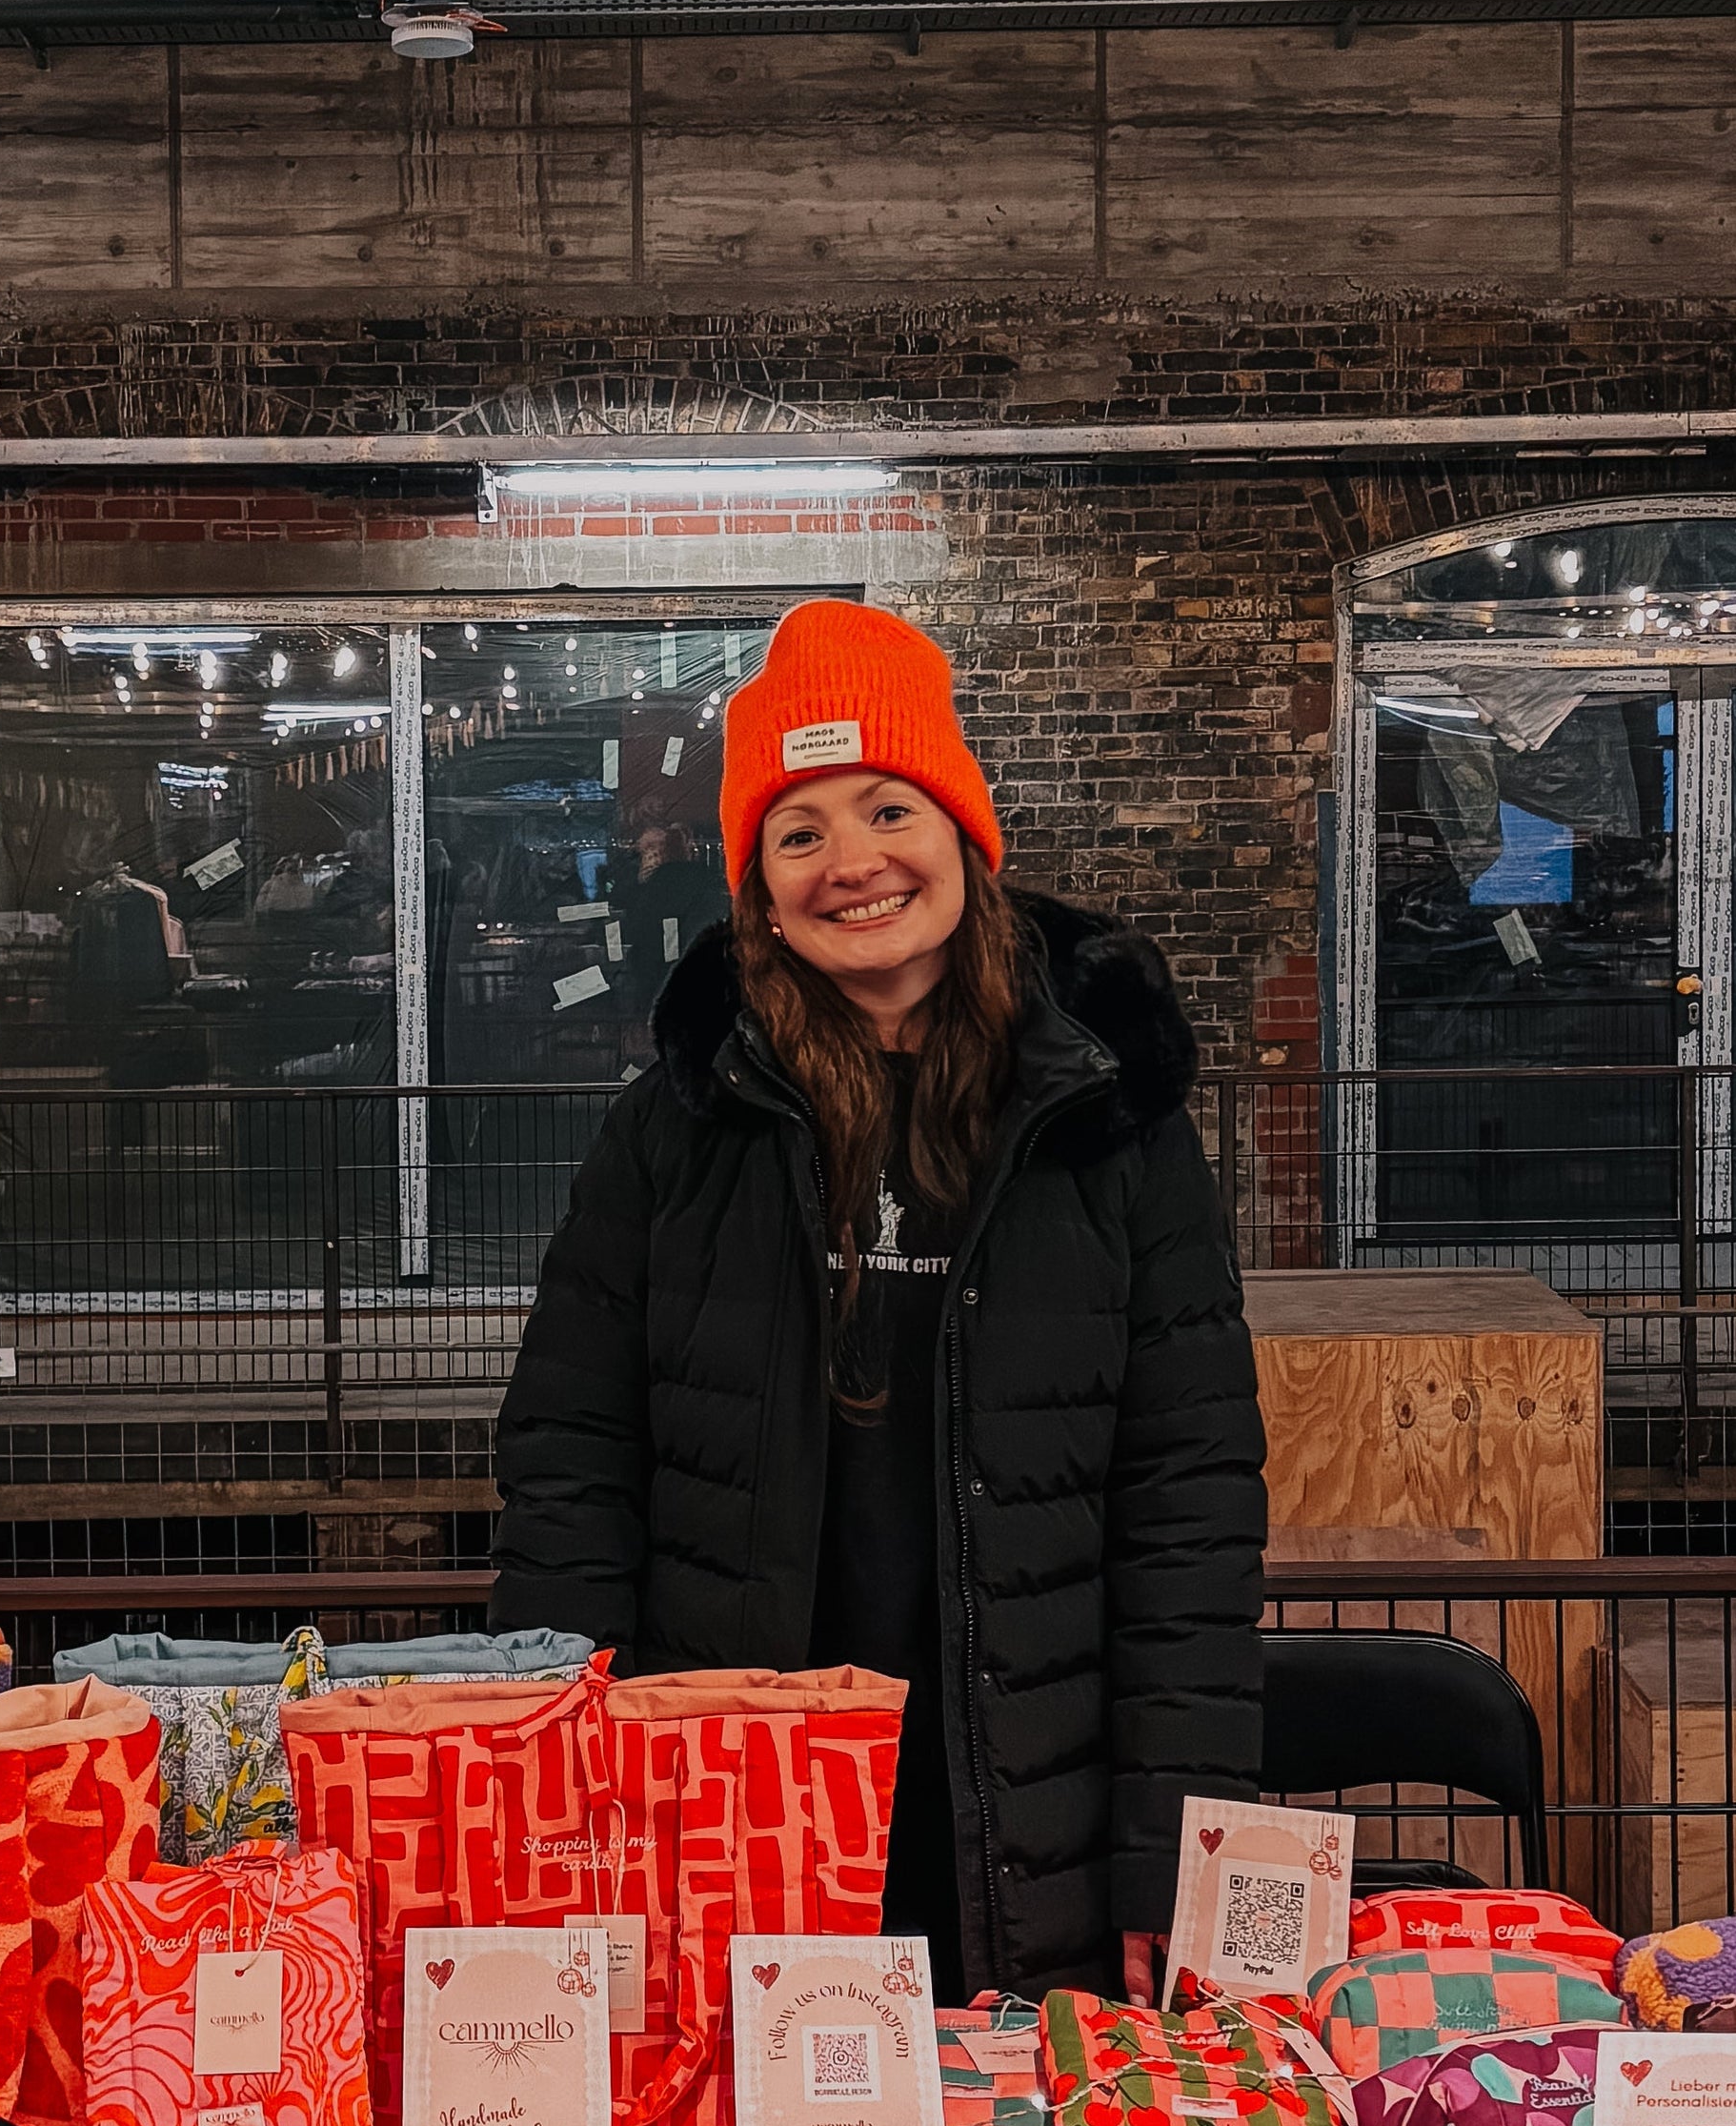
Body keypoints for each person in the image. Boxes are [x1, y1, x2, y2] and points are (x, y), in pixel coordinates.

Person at [489, 601, 1265, 2002]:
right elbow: (570, 1466)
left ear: (961, 831)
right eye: (799, 832)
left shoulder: (1109, 1124)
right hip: (731, 1787)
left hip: (1039, 1801)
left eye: (886, 809)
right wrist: (559, 1804)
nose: (852, 864)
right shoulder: (676, 1127)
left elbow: (1189, 1507)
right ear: (760, 888)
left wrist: (1176, 1851)